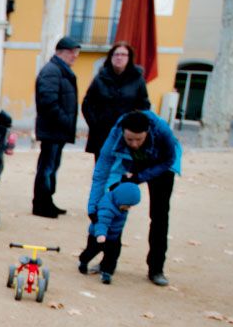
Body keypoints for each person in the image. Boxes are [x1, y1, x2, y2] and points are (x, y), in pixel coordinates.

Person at [88, 110, 181, 287]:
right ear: (123, 131)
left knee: (159, 216)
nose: (134, 143)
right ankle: (107, 263)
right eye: (129, 139)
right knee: (114, 207)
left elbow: (169, 160)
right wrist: (94, 207)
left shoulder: (163, 132)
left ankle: (156, 268)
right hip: (132, 162)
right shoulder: (115, 134)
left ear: (147, 132)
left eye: (139, 139)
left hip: (163, 165)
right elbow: (101, 172)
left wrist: (139, 177)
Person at [32, 36, 81, 218]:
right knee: (47, 167)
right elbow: (48, 101)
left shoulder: (60, 70)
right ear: (62, 52)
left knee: (51, 167)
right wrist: (65, 120)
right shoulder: (53, 71)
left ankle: (47, 201)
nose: (75, 56)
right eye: (73, 52)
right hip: (53, 129)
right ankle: (41, 204)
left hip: (56, 129)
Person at [82, 42, 151, 161]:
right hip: (102, 133)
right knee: (101, 169)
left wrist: (135, 127)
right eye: (116, 54)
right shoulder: (100, 78)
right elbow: (87, 104)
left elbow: (144, 105)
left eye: (123, 55)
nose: (119, 57)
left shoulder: (137, 79)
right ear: (111, 57)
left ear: (129, 58)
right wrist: (95, 124)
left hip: (127, 134)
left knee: (123, 170)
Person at [77, 181, 141, 284]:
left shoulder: (120, 205)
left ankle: (107, 272)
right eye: (127, 205)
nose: (128, 208)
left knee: (113, 254)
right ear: (120, 200)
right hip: (98, 235)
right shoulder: (107, 207)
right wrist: (101, 234)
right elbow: (102, 221)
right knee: (91, 250)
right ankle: (83, 261)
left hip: (113, 236)